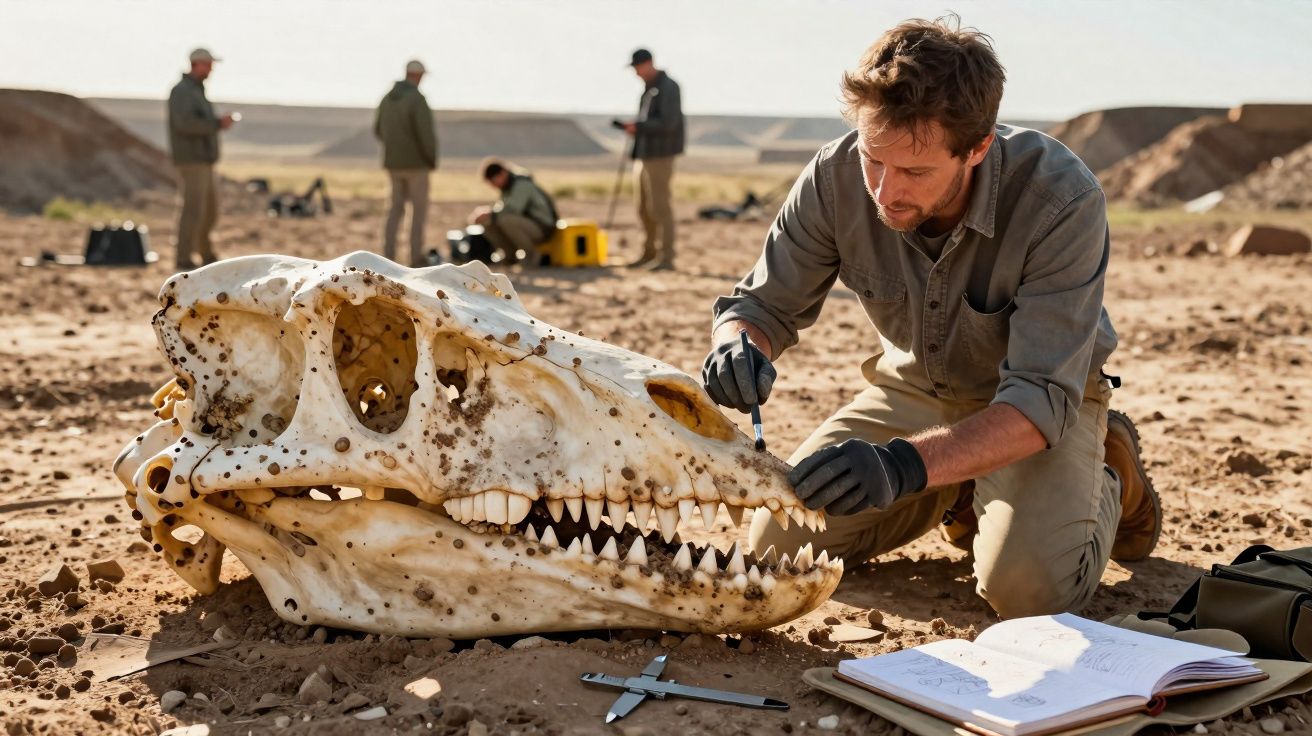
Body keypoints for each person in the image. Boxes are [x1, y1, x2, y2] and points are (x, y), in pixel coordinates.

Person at [702, 17, 1161, 619]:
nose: (884, 191)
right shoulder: (834, 176)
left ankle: (1109, 472)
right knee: (779, 550)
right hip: (915, 389)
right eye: (873, 159)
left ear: (977, 147)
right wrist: (739, 345)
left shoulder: (1061, 199)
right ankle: (958, 491)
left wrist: (901, 464)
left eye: (915, 172)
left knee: (1028, 594)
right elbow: (758, 306)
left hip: (1032, 407)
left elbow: (1039, 399)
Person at [167, 48, 234, 271]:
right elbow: (184, 124)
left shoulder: (196, 91)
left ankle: (206, 254)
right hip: (191, 159)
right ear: (197, 64)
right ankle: (183, 257)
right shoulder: (182, 92)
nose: (211, 69)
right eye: (208, 64)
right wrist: (215, 124)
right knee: (193, 210)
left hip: (204, 159)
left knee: (210, 210)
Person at [619, 48, 684, 271]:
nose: (636, 73)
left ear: (648, 63)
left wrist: (639, 127)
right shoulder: (649, 89)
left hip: (661, 155)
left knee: (660, 207)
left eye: (638, 67)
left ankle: (666, 257)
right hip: (645, 154)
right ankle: (649, 252)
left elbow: (669, 123)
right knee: (643, 208)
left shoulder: (668, 87)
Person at [375, 59, 438, 267]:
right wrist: (431, 159)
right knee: (417, 212)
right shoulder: (416, 99)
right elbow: (425, 134)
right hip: (416, 165)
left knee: (394, 210)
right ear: (417, 76)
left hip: (393, 163)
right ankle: (415, 258)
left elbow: (378, 129)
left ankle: (388, 256)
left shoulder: (387, 99)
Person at [468, 159, 558, 262]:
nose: (493, 185)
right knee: (488, 221)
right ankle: (509, 256)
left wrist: (490, 214)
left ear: (502, 173)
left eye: (493, 181)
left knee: (506, 220)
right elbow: (503, 209)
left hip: (542, 227)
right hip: (527, 224)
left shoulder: (522, 184)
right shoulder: (508, 187)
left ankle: (532, 257)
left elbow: (513, 210)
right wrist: (487, 216)